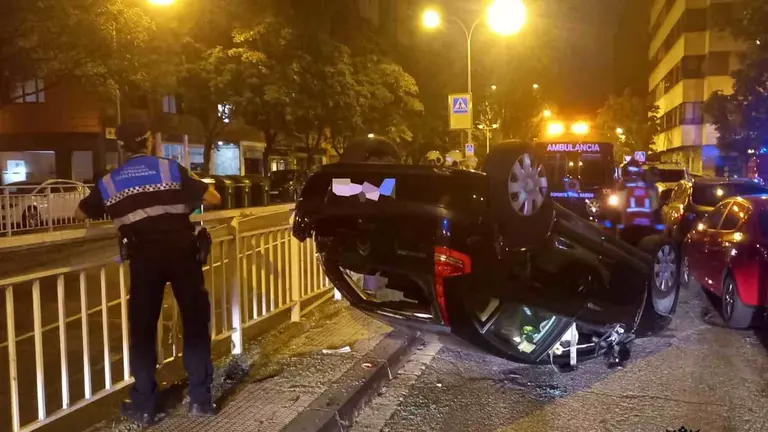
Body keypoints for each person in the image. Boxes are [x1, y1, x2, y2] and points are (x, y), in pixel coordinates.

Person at [74, 120, 222, 426]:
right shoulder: (169, 168)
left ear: (121, 146)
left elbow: (80, 212)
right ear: (150, 141)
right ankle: (200, 401)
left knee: (142, 330)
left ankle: (145, 406)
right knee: (195, 322)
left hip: (144, 258)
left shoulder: (110, 182)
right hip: (182, 252)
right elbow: (213, 198)